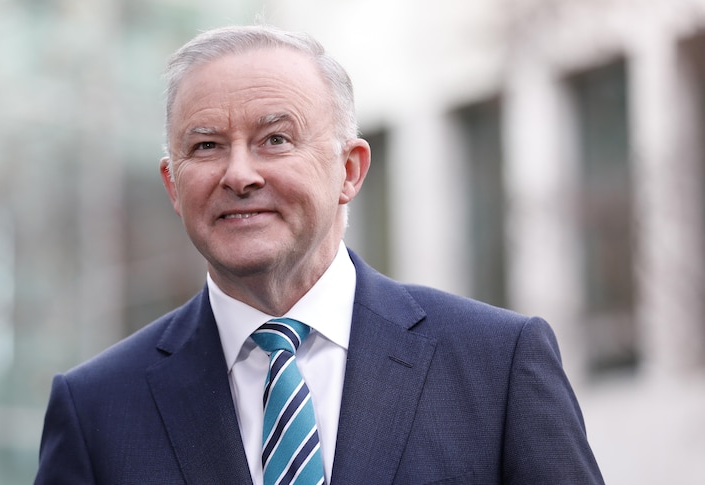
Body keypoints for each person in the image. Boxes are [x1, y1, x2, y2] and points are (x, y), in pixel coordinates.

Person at [34, 25, 604, 484]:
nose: (239, 173)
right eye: (206, 146)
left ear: (350, 170)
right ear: (173, 185)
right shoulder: (97, 412)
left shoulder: (495, 365)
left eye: (275, 139)